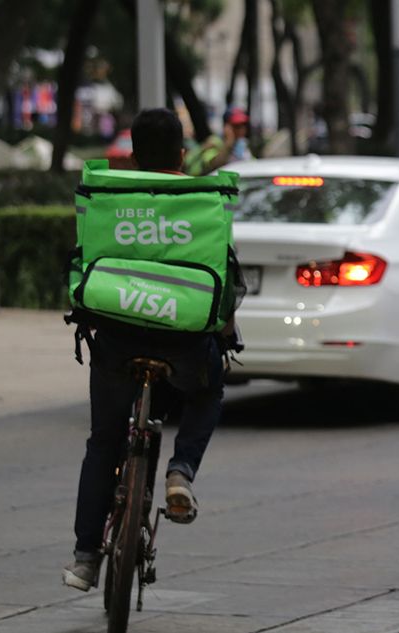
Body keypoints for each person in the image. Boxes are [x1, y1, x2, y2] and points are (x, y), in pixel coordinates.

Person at [63, 108, 240, 592]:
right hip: (183, 346)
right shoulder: (204, 199)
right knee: (208, 392)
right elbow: (224, 286)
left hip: (117, 340)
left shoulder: (109, 195)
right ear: (183, 156)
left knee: (103, 443)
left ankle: (84, 559)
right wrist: (226, 333)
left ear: (134, 157)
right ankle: (180, 472)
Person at [184, 106, 253, 176]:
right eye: (237, 126)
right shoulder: (214, 142)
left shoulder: (242, 144)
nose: (242, 129)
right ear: (226, 126)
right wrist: (229, 143)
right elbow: (213, 165)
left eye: (244, 125)